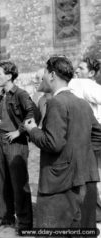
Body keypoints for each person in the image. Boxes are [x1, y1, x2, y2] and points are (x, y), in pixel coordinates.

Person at [25, 56, 101, 232]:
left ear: (52, 75)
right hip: (85, 176)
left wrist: (33, 130)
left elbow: (53, 143)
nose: (42, 78)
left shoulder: (56, 102)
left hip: (59, 182)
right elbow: (97, 134)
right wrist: (80, 155)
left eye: (44, 73)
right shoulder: (82, 103)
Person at [0, 61, 34, 232]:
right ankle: (6, 217)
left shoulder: (21, 94)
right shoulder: (1, 96)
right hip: (0, 140)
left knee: (19, 183)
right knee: (1, 181)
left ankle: (24, 224)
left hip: (16, 143)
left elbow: (32, 114)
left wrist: (19, 131)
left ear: (9, 76)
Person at [68, 57, 101, 223]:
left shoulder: (83, 83)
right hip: (94, 135)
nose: (77, 71)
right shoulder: (88, 85)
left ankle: (90, 216)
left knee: (87, 178)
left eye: (81, 68)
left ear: (91, 73)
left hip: (91, 136)